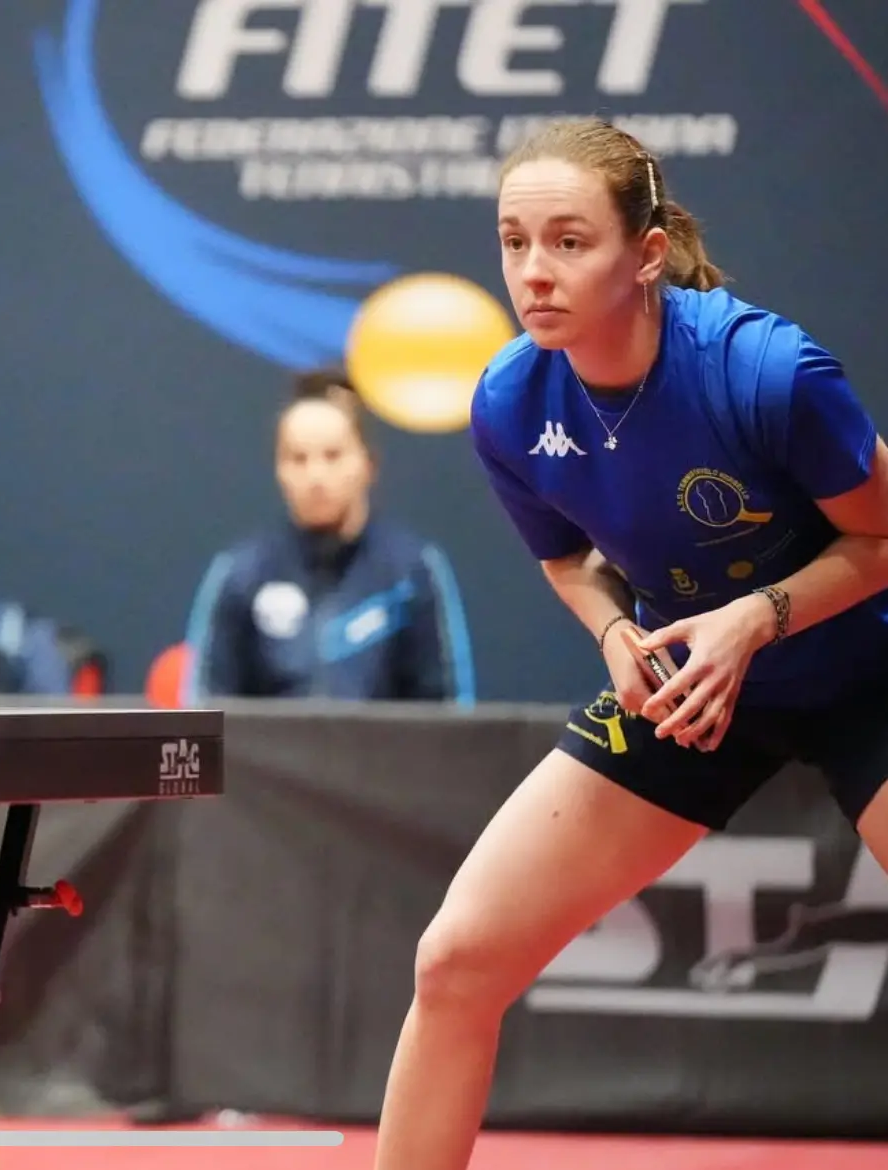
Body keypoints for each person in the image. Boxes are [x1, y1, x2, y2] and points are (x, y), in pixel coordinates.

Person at [372, 116, 888, 1170]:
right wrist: (615, 631)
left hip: (864, 666)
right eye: (514, 242)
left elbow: (882, 536)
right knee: (457, 961)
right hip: (691, 686)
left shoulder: (768, 373)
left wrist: (760, 616)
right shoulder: (511, 403)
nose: (534, 273)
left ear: (646, 253)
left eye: (569, 241)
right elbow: (568, 560)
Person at [182, 368, 475, 704]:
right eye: (298, 459)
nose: (315, 475)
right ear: (279, 469)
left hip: (383, 757)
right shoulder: (240, 574)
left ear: (368, 464)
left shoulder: (413, 572)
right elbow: (204, 709)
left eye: (333, 455)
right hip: (266, 758)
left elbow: (449, 716)